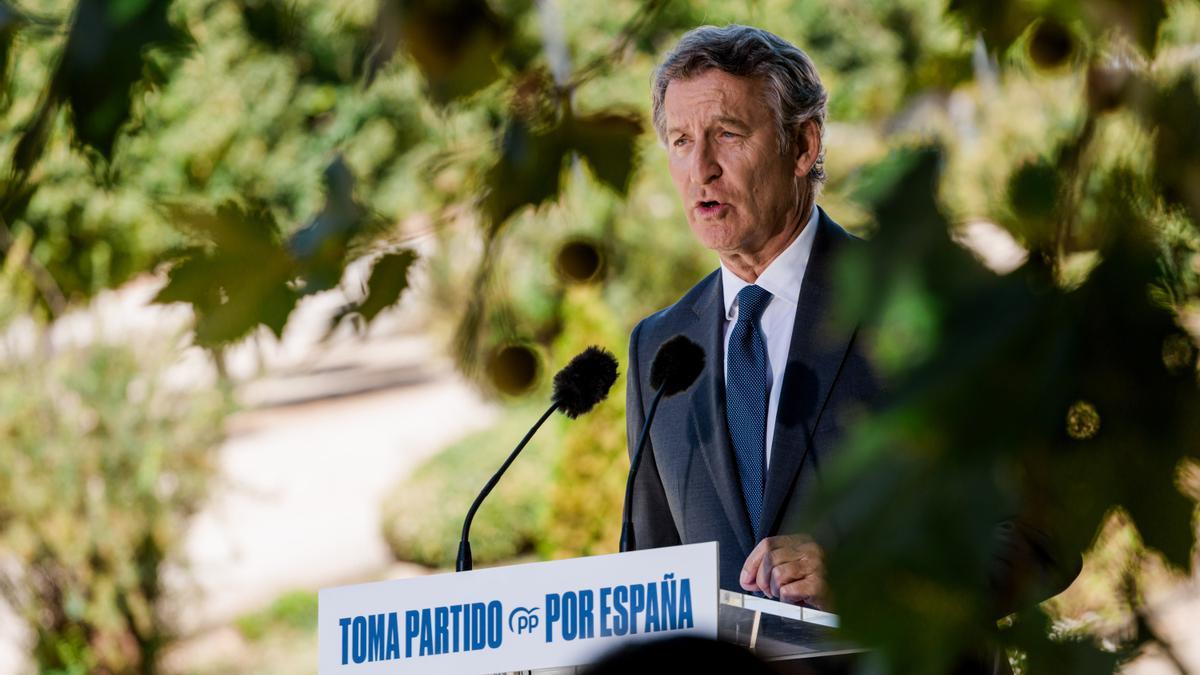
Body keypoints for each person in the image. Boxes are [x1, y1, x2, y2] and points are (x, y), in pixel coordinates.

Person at [623, 24, 877, 608]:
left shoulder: (911, 302)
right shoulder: (657, 349)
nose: (701, 169)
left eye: (728, 134)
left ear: (803, 146)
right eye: (682, 142)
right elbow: (651, 572)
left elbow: (1035, 535)